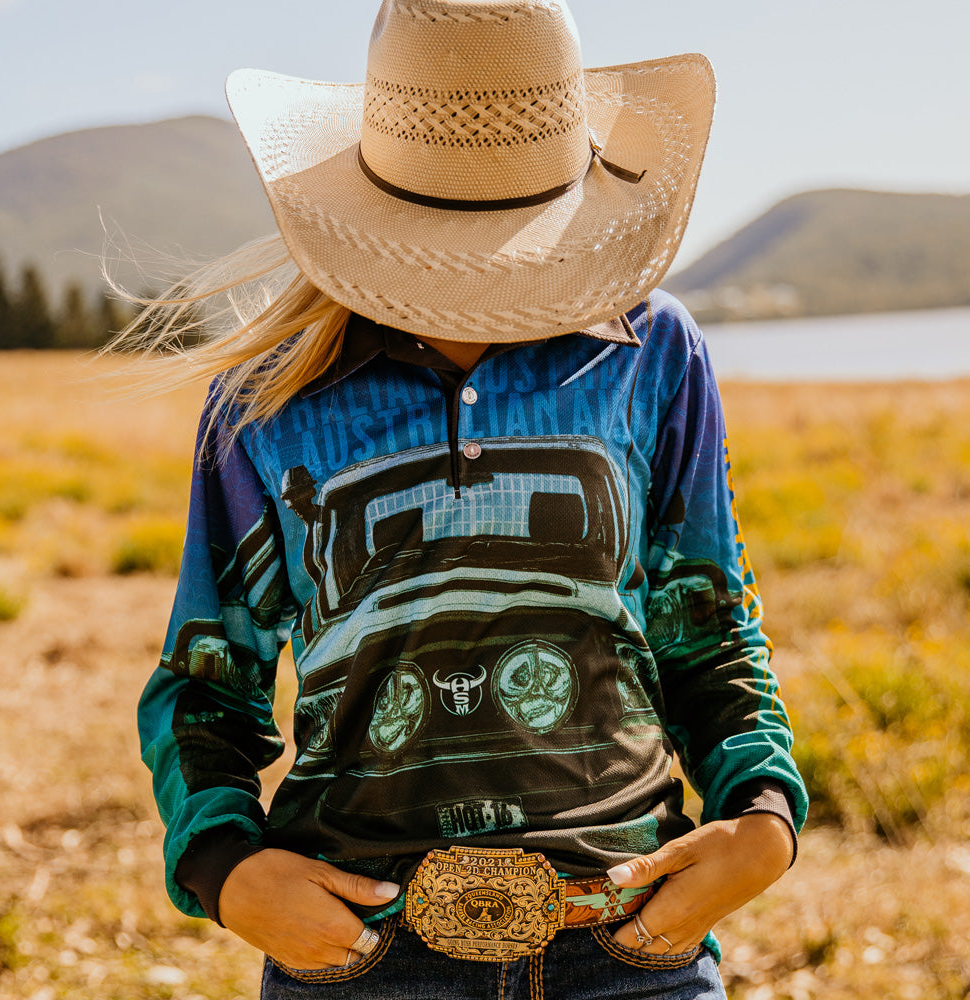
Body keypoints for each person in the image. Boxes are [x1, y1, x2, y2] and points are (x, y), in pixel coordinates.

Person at [127, 2, 808, 997]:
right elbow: (207, 674)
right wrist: (225, 868)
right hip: (362, 954)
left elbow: (704, 623)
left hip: (629, 934)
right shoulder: (267, 395)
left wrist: (761, 816)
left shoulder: (654, 353)